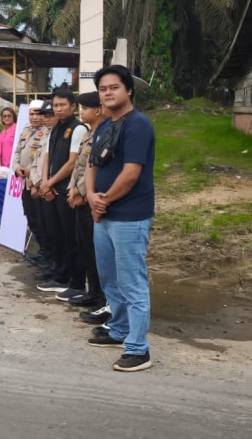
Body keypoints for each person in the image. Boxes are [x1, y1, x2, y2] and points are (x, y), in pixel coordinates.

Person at [85, 64, 156, 372]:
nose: (108, 93)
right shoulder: (103, 126)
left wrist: (104, 201)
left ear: (129, 90)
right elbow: (92, 166)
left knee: (132, 282)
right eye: (103, 89)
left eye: (114, 87)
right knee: (110, 278)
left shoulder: (137, 125)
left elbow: (131, 174)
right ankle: (119, 330)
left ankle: (139, 349)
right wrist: (90, 196)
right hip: (103, 215)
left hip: (129, 216)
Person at [36, 89, 86, 298]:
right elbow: (48, 156)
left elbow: (72, 162)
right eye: (55, 105)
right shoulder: (55, 129)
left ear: (73, 106)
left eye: (62, 105)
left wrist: (51, 182)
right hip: (52, 190)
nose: (58, 109)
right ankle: (60, 274)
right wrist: (46, 183)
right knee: (55, 234)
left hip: (67, 191)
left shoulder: (78, 129)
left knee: (70, 237)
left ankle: (75, 281)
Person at [66, 91, 107, 311]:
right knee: (84, 247)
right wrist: (73, 188)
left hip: (88, 199)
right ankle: (92, 292)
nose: (82, 112)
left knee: (94, 250)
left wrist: (81, 192)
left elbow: (94, 169)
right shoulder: (88, 134)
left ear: (98, 110)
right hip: (79, 195)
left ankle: (101, 296)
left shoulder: (102, 134)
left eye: (85, 108)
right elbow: (78, 167)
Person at [28, 101, 57, 283]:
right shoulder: (43, 133)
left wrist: (40, 183)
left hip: (48, 188)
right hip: (36, 183)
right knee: (41, 224)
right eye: (43, 115)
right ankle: (48, 260)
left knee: (53, 230)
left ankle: (55, 266)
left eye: (48, 115)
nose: (45, 119)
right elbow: (35, 160)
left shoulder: (57, 134)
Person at [14, 101, 45, 269]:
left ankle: (46, 253)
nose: (34, 117)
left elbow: (41, 161)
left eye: (37, 113)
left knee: (41, 220)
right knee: (31, 217)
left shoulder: (46, 132)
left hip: (37, 183)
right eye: (31, 114)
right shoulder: (26, 130)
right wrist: (16, 167)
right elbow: (17, 152)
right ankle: (43, 251)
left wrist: (32, 176)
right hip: (24, 181)